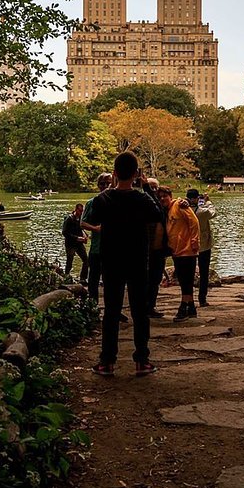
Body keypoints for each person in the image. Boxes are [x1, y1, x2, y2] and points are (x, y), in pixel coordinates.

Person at [87, 152, 163, 376]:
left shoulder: (104, 199)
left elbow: (93, 219)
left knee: (111, 311)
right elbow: (158, 213)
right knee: (140, 312)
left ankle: (107, 361)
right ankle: (142, 360)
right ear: (137, 174)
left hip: (111, 260)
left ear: (114, 173)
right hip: (138, 260)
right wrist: (146, 186)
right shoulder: (142, 199)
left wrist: (110, 186)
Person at [159, 187, 200, 321]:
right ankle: (191, 307)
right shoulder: (166, 210)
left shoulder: (179, 205)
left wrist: (194, 242)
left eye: (165, 196)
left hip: (187, 249)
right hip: (176, 250)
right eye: (160, 197)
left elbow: (194, 222)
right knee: (184, 280)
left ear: (171, 196)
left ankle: (183, 308)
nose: (162, 199)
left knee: (186, 280)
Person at [81, 172, 113, 305]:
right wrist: (95, 229)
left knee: (112, 281)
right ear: (98, 185)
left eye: (108, 183)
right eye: (102, 183)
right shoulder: (92, 202)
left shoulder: (117, 200)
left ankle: (113, 308)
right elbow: (82, 223)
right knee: (93, 279)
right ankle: (93, 306)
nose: (105, 186)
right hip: (97, 248)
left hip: (114, 248)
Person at [186, 188, 216, 307]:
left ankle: (188, 299)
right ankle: (202, 299)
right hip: (203, 245)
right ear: (197, 198)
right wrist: (208, 201)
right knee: (204, 273)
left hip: (188, 245)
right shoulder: (203, 212)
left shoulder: (184, 210)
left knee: (189, 273)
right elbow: (213, 212)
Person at [145, 177, 168, 318]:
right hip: (145, 250)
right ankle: (144, 306)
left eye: (155, 188)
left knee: (155, 279)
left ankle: (151, 306)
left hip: (159, 250)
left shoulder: (164, 208)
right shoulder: (143, 204)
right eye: (150, 187)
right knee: (145, 279)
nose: (153, 191)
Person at [62, 203, 89, 285]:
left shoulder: (80, 218)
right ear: (76, 209)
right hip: (70, 244)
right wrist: (77, 238)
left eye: (82, 211)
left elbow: (81, 229)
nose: (81, 213)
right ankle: (66, 277)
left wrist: (85, 236)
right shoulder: (69, 219)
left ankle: (83, 278)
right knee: (69, 261)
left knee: (86, 260)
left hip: (79, 244)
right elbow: (65, 233)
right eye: (80, 211)